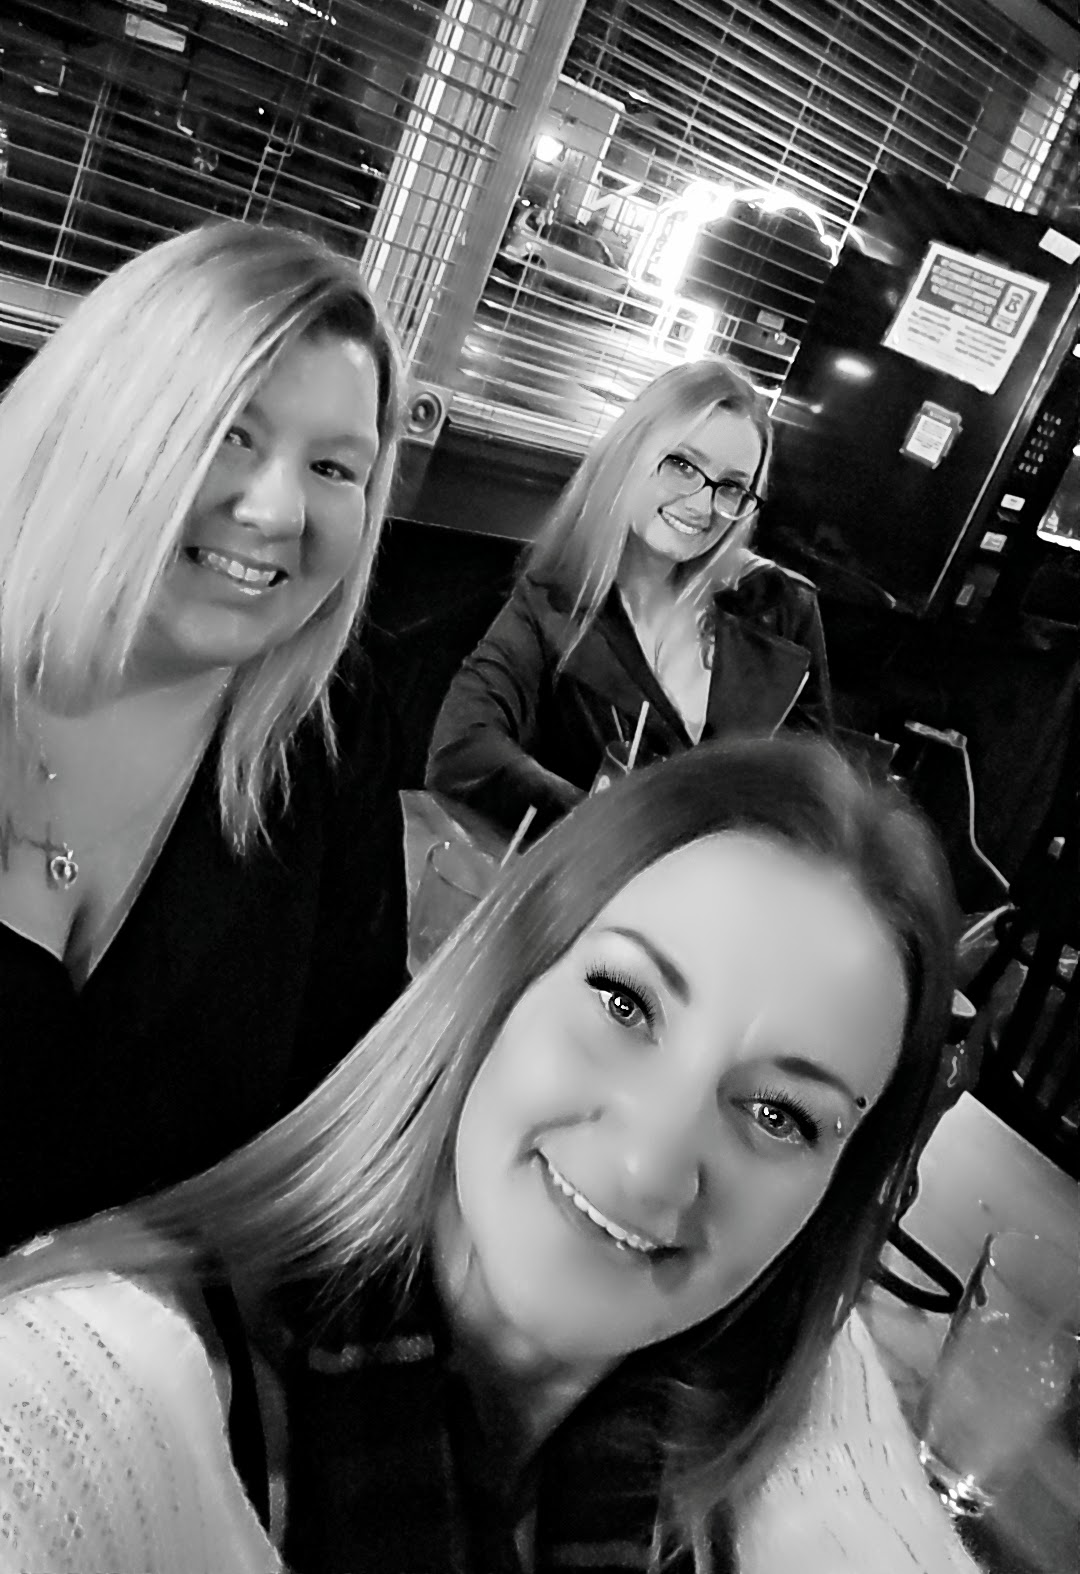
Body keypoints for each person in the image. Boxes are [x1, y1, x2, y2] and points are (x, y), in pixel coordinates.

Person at [0, 737, 979, 1573]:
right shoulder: (112, 1392)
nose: (649, 1164)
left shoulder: (720, 1450)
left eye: (779, 1114)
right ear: (504, 976)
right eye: (624, 1002)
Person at [0, 221, 409, 1250]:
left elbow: (348, 1107)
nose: (277, 510)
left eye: (335, 466)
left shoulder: (325, 735)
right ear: (102, 421)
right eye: (232, 431)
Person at [426, 357, 832, 837]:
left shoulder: (779, 607)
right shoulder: (555, 604)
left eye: (732, 487)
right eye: (682, 465)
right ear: (630, 454)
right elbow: (462, 751)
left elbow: (817, 795)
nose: (703, 505)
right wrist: (617, 831)